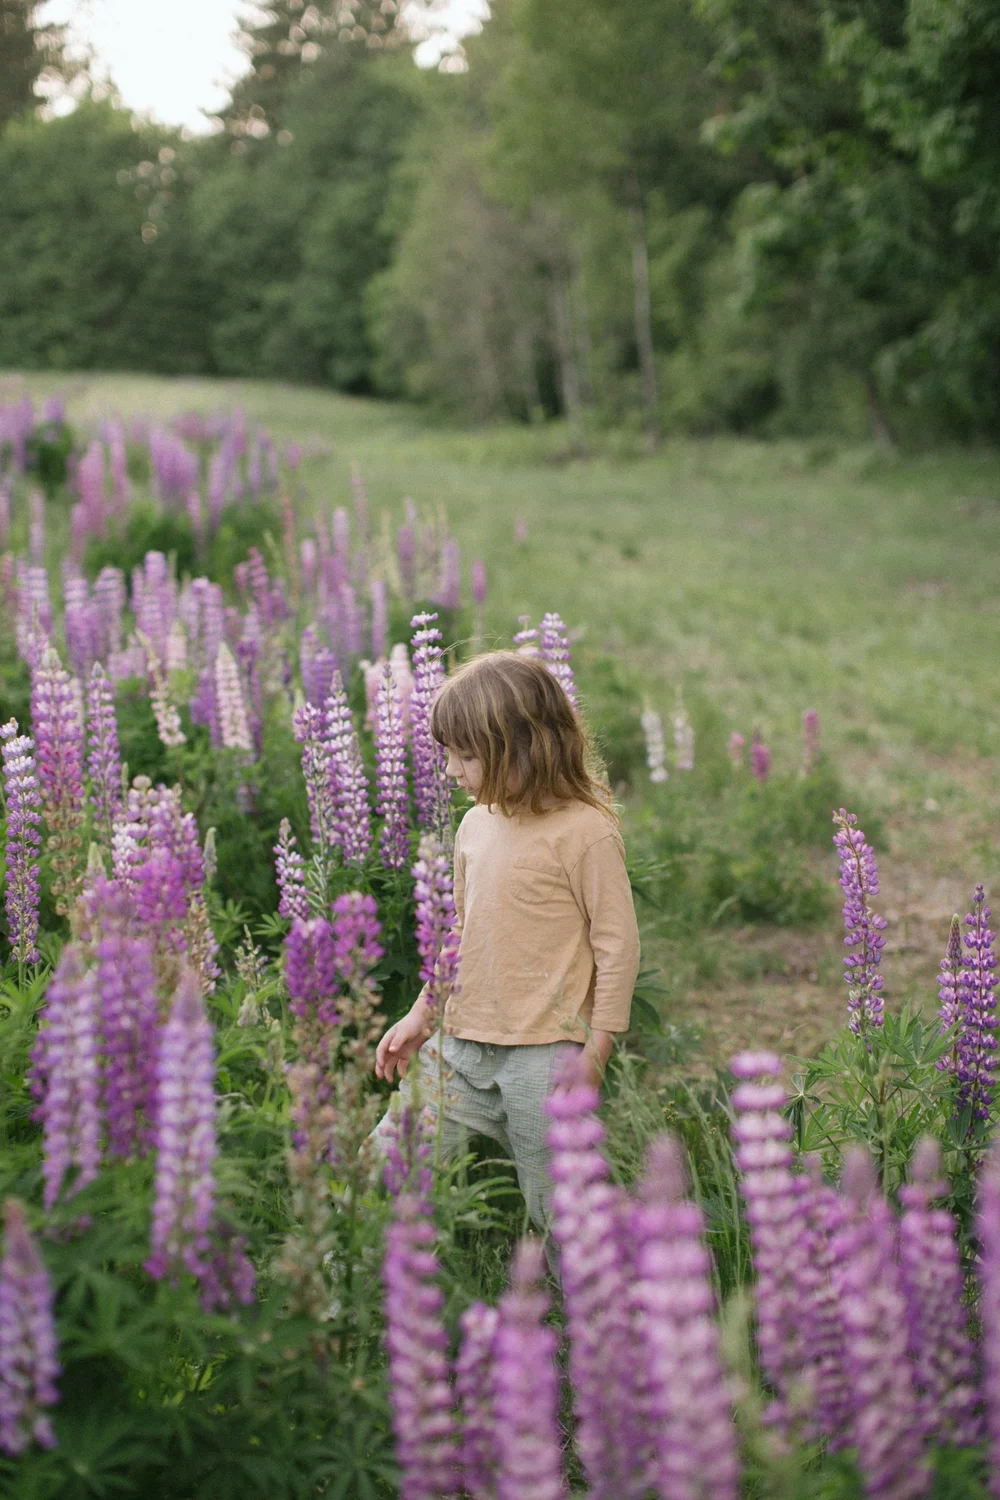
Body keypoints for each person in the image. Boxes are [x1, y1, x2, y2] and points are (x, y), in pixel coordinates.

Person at [372, 650, 641, 1237]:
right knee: (388, 1164)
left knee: (559, 1207)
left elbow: (617, 945)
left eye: (466, 756)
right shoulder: (475, 825)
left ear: (527, 746)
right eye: (448, 754)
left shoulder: (586, 833)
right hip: (458, 1046)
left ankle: (583, 1316)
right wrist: (423, 1012)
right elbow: (458, 932)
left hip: (545, 1055)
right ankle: (345, 1286)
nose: (451, 772)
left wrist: (598, 1048)